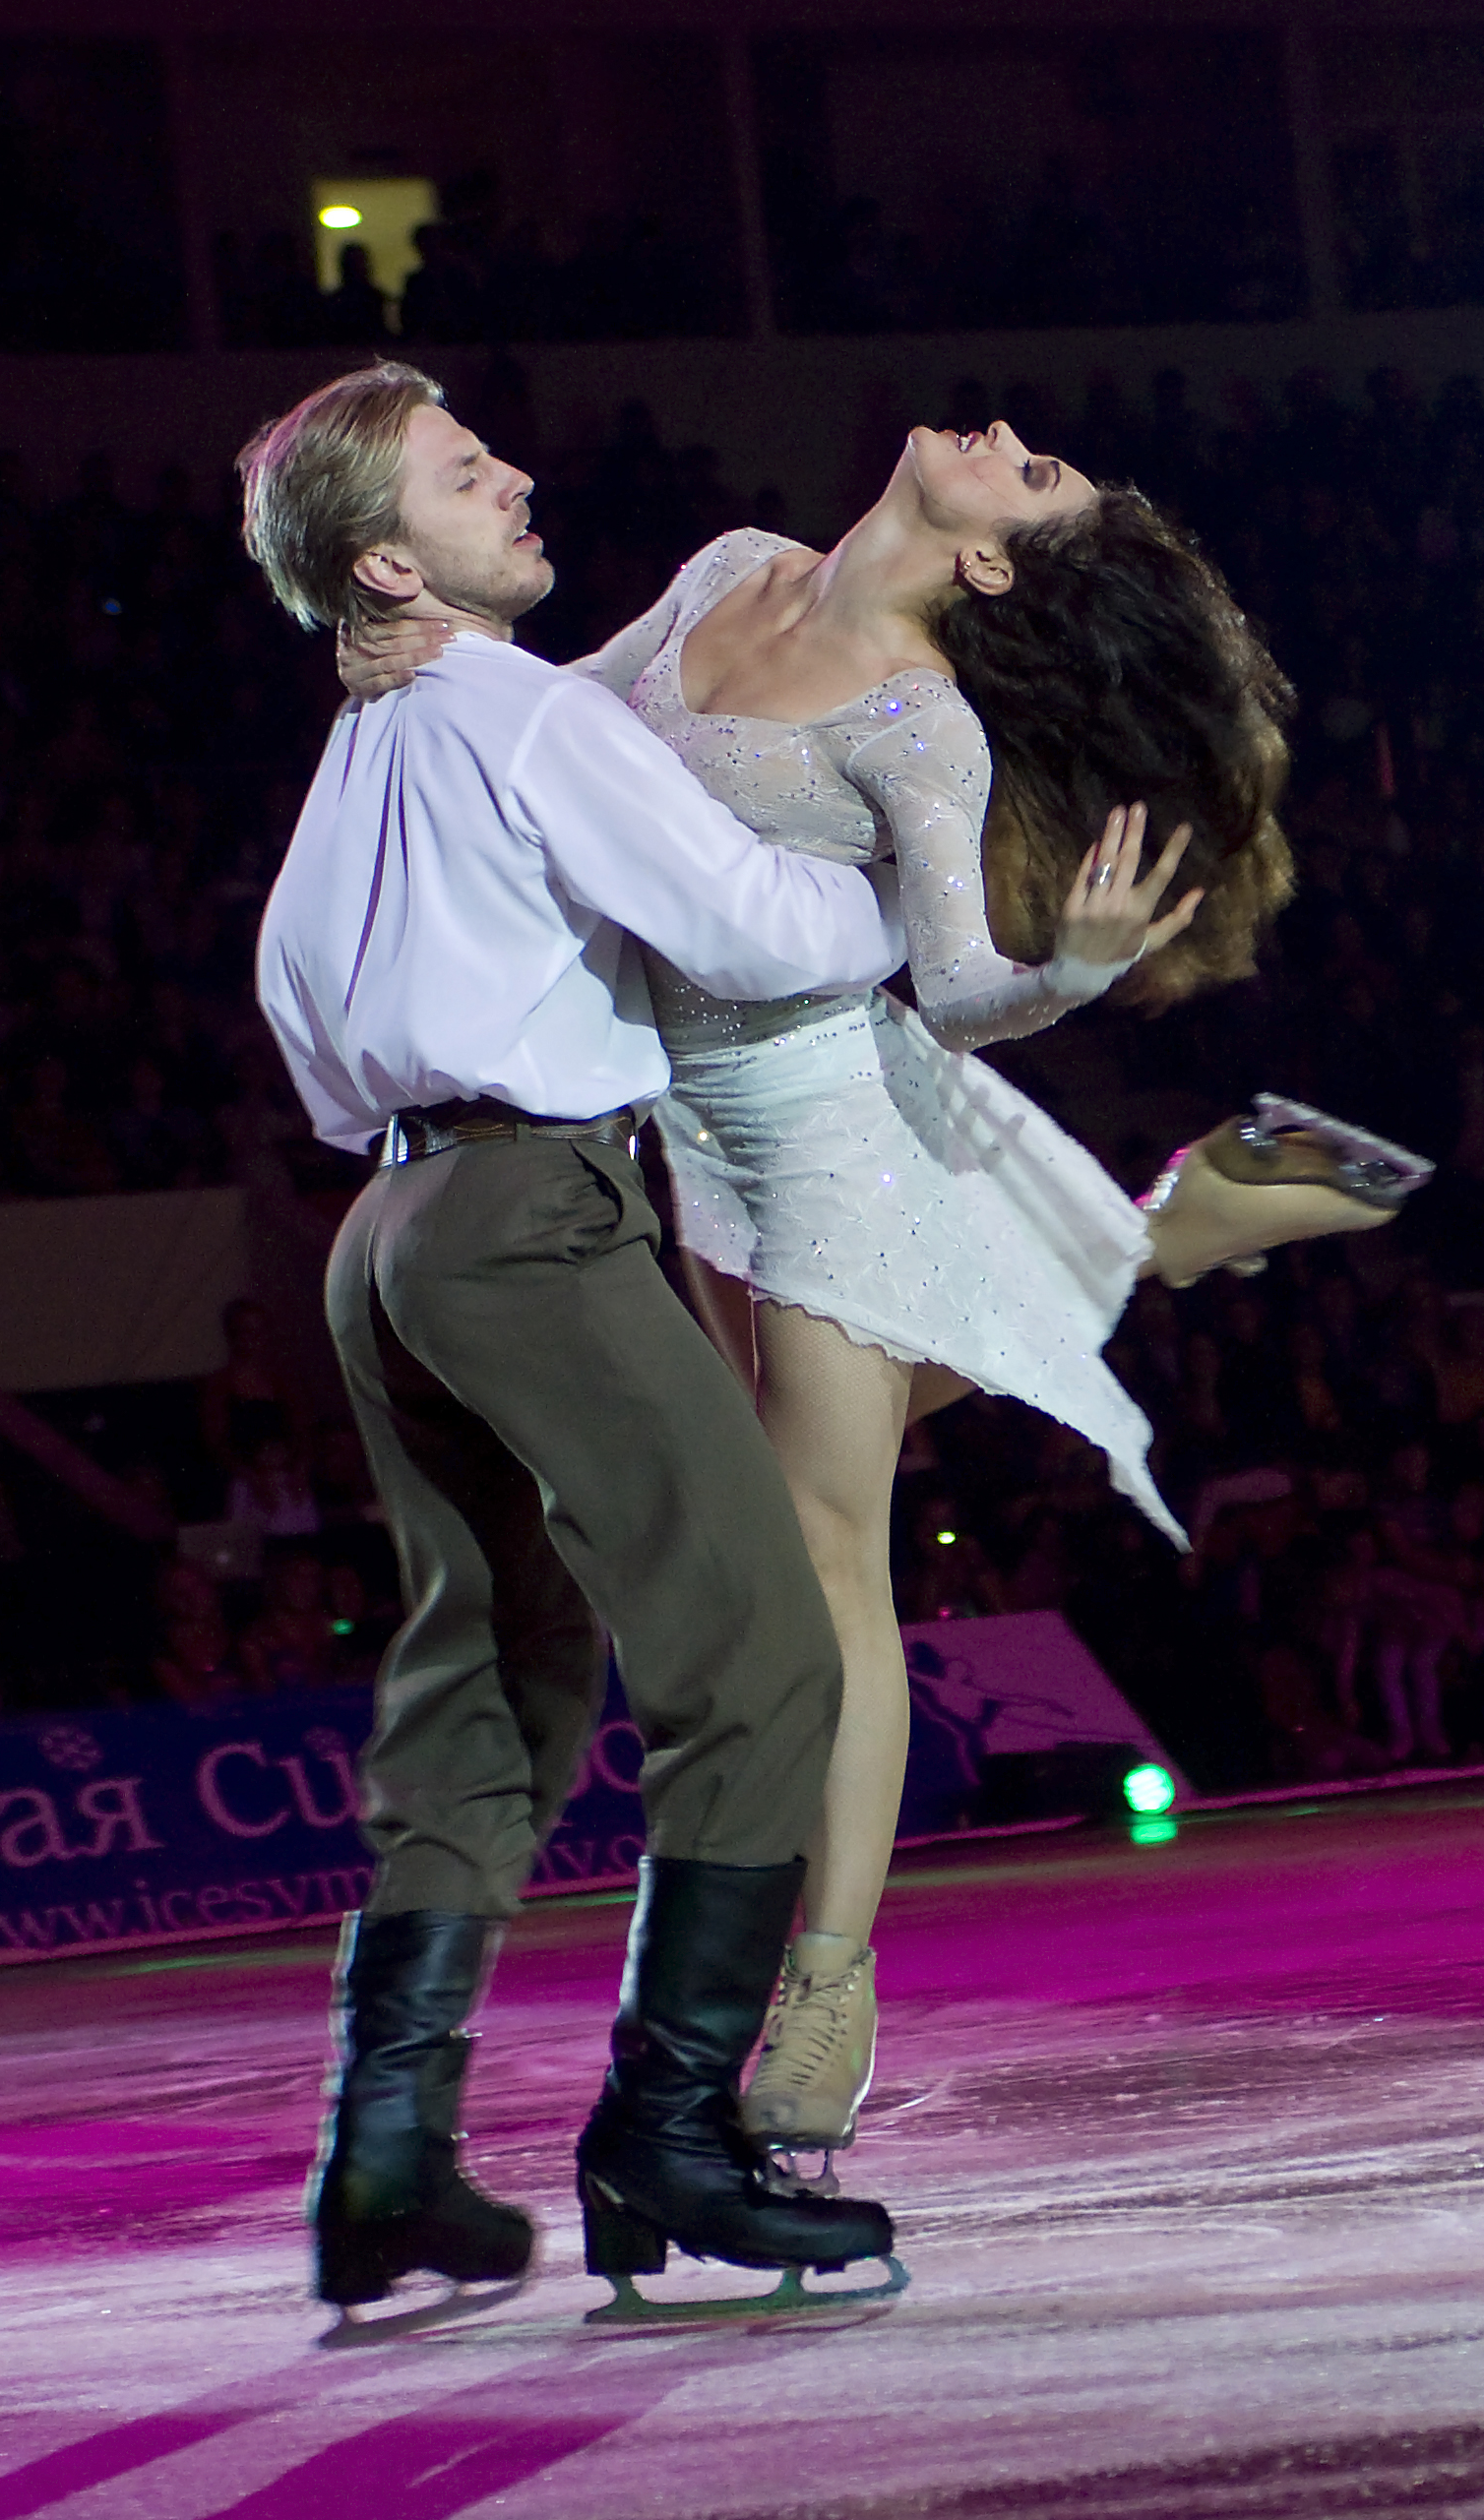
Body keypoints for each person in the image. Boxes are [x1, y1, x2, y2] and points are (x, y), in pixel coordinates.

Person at [347, 412, 1427, 2183]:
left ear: (989, 561)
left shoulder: (922, 723)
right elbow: (555, 726)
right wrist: (419, 654)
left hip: (824, 1137)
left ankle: (827, 1990)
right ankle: (1169, 1231)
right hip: (680, 1131)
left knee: (824, 1553)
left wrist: (1075, 970)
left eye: (1033, 477)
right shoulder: (726, 568)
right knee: (776, 1475)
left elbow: (959, 987)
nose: (1009, 438)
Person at [240, 360, 912, 2332]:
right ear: (387, 559)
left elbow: (297, 1022)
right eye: (466, 474)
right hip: (533, 1214)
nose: (516, 478)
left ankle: (384, 2158)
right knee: (763, 1660)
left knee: (488, 1684)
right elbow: (749, 926)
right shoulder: (519, 712)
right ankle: (668, 2138)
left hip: (388, 1231)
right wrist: (904, 886)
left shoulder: (356, 759)